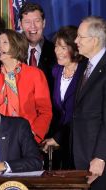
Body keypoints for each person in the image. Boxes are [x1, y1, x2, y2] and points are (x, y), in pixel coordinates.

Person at [0, 29, 52, 143]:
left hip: (27, 138)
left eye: (4, 42)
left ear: (16, 45)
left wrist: (32, 135)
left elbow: (45, 111)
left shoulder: (35, 74)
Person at [41, 26, 86, 169]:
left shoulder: (85, 72)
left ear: (75, 48)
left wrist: (58, 137)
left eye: (63, 48)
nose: (57, 52)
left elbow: (81, 114)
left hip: (79, 142)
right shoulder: (55, 71)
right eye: (56, 47)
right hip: (58, 145)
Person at [72, 16, 106, 189]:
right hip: (82, 155)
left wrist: (101, 157)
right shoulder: (87, 65)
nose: (76, 41)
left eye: (80, 37)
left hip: (98, 162)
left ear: (95, 40)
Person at [19, 2, 56, 95]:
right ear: (20, 24)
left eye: (37, 21)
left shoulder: (56, 51)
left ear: (43, 23)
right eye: (27, 22)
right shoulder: (13, 51)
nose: (33, 26)